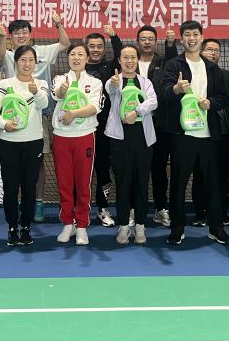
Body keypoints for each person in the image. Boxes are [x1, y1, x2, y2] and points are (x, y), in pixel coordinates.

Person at [160, 21, 229, 246]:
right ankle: (177, 229)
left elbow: (223, 97)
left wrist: (211, 103)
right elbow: (163, 92)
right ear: (181, 39)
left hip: (209, 135)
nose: (191, 38)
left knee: (213, 184)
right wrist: (176, 89)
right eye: (187, 35)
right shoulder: (174, 64)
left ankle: (216, 228)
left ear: (201, 37)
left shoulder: (212, 67)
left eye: (195, 34)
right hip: (182, 134)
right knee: (178, 183)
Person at [0, 14, 69, 222]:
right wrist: (1, 37)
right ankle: (17, 203)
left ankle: (38, 203)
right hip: (13, 115)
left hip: (39, 113)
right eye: (16, 33)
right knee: (14, 166)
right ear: (11, 36)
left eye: (24, 32)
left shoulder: (43, 51)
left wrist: (59, 24)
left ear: (30, 34)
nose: (21, 35)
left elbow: (65, 43)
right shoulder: (9, 54)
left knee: (38, 161)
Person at [0, 45, 49, 246]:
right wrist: (4, 124)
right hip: (9, 143)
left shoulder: (40, 84)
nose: (27, 64)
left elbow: (44, 104)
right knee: (10, 187)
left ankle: (26, 228)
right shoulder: (5, 84)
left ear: (35, 63)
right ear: (15, 62)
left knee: (29, 187)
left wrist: (36, 92)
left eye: (31, 60)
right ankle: (12, 228)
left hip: (33, 142)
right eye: (23, 59)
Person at [105, 46, 158, 245]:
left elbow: (153, 101)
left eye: (133, 57)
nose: (129, 61)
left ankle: (141, 226)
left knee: (142, 183)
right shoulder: (114, 81)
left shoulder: (145, 82)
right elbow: (110, 90)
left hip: (143, 140)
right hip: (119, 140)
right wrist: (113, 83)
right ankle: (124, 226)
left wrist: (136, 112)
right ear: (119, 60)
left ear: (137, 60)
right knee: (122, 182)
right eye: (125, 57)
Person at [51, 42, 104, 246]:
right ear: (68, 58)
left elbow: (95, 107)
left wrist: (73, 114)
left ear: (87, 59)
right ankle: (68, 223)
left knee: (83, 183)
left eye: (81, 54)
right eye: (72, 54)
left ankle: (81, 225)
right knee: (64, 183)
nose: (76, 58)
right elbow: (56, 94)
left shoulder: (95, 82)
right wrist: (63, 91)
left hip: (85, 136)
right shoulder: (60, 79)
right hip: (61, 136)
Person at [134, 24, 176, 228]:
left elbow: (173, 61)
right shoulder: (131, 61)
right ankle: (134, 210)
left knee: (159, 169)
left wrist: (171, 44)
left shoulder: (164, 62)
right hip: (134, 124)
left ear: (156, 41)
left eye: (151, 38)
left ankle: (161, 208)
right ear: (137, 42)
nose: (147, 42)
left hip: (159, 124)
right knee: (136, 169)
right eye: (143, 39)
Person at [192, 38, 229, 226]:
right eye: (209, 49)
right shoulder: (194, 73)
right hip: (199, 131)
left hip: (223, 133)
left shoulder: (228, 75)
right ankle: (200, 213)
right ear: (201, 51)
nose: (213, 53)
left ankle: (222, 212)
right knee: (200, 173)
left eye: (216, 50)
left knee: (222, 174)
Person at [84, 25, 122, 227]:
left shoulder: (110, 67)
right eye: (92, 46)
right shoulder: (80, 69)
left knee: (103, 169)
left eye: (99, 46)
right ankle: (80, 211)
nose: (96, 49)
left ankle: (103, 208)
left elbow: (120, 52)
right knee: (83, 171)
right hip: (83, 128)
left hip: (106, 128)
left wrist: (113, 36)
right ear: (86, 48)